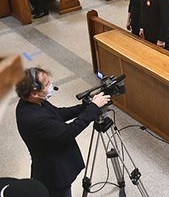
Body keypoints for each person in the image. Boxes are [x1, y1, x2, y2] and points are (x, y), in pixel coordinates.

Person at [15, 67, 110, 197]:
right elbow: (69, 132)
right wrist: (93, 109)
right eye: (47, 84)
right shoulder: (33, 118)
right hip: (54, 173)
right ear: (34, 93)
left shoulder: (33, 102)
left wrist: (83, 107)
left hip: (56, 159)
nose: (51, 85)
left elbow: (58, 114)